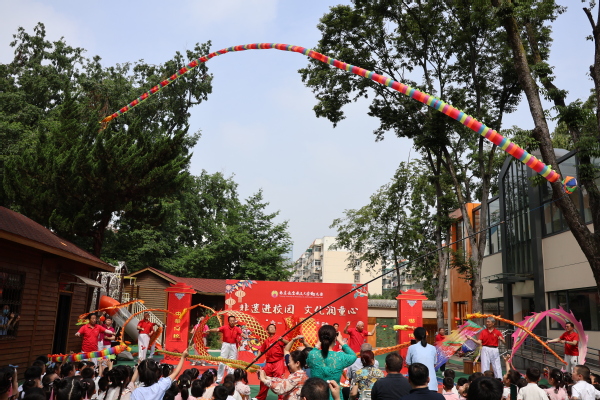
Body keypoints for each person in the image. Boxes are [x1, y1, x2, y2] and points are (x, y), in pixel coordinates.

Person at [307, 325, 357, 400]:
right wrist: (341, 341)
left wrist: (318, 344)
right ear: (335, 339)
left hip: (315, 395)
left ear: (320, 338)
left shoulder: (312, 355)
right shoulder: (340, 357)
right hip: (334, 396)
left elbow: (310, 357)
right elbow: (353, 356)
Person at [257, 324, 290, 400]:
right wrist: (256, 358)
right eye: (270, 327)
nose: (272, 329)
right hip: (268, 363)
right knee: (264, 379)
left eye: (273, 328)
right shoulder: (266, 341)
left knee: (279, 380)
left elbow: (288, 343)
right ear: (267, 330)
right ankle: (260, 397)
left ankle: (281, 398)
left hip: (278, 362)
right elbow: (261, 350)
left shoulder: (279, 338)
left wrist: (282, 340)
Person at [209, 315, 242, 383]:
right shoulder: (225, 327)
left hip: (233, 345)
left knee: (232, 362)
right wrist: (209, 330)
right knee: (222, 361)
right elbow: (217, 329)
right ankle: (219, 379)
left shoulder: (237, 328)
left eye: (233, 321)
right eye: (231, 321)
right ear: (228, 321)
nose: (232, 322)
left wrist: (244, 337)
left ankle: (230, 378)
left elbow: (241, 334)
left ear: (235, 321)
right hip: (225, 344)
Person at [406, 327, 438, 392]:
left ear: (415, 336)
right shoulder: (432, 348)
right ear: (426, 336)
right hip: (432, 384)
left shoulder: (411, 348)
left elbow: (408, 364)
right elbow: (434, 364)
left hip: (417, 384)